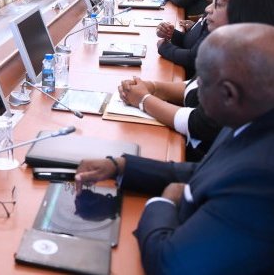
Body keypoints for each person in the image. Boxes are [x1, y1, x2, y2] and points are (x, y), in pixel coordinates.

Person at [76, 23, 274, 274]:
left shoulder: (261, 177)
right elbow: (208, 172)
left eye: (202, 83)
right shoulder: (251, 118)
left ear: (228, 94)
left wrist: (165, 201)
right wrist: (122, 166)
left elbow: (169, 263)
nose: (194, 89)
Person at [123, 0, 274, 162]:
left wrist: (143, 100)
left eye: (218, 4)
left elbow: (198, 124)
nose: (208, 9)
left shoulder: (252, 67)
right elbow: (195, 85)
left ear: (244, 13)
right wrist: (153, 87)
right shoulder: (230, 48)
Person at [156, 0, 261, 77]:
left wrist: (163, 47)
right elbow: (191, 42)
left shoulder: (227, 18)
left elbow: (195, 57)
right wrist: (171, 33)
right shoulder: (212, 6)